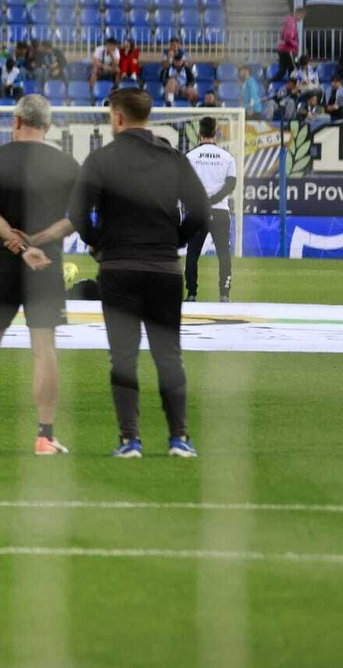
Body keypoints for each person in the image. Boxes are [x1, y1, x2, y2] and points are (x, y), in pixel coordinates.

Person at [30, 88, 209, 458]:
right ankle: (179, 438)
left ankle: (130, 440)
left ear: (118, 116)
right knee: (169, 356)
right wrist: (173, 240)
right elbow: (201, 211)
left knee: (123, 358)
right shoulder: (172, 157)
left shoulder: (102, 159)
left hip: (119, 268)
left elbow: (78, 214)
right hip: (164, 269)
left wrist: (99, 245)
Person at [0, 88, 82, 455]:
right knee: (44, 349)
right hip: (46, 264)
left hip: (5, 264)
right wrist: (36, 242)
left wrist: (18, 245)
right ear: (48, 125)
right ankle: (46, 436)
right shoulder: (65, 163)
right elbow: (74, 219)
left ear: (17, 120)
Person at [184, 117, 237, 303]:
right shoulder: (227, 157)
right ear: (216, 134)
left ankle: (191, 293)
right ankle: (224, 294)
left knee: (192, 254)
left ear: (199, 134)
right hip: (220, 211)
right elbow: (231, 185)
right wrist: (213, 200)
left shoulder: (190, 157)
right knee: (224, 254)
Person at [277, 9, 300, 79]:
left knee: (283, 70)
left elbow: (282, 36)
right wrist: (295, 44)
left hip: (283, 50)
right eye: (302, 16)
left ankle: (270, 81)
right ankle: (291, 82)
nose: (301, 19)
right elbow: (287, 38)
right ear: (297, 14)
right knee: (295, 66)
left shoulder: (289, 21)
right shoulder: (291, 23)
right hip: (289, 51)